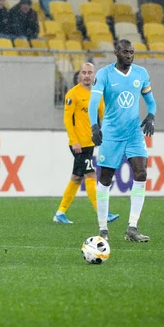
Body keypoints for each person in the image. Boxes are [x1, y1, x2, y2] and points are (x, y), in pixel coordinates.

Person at [88, 39, 157, 242]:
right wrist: (94, 126)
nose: (129, 55)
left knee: (141, 172)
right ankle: (103, 229)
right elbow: (93, 104)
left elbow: (151, 101)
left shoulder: (141, 73)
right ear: (116, 52)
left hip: (134, 132)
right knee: (106, 179)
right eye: (125, 52)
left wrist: (151, 115)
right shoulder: (104, 75)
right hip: (111, 133)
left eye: (132, 52)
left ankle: (132, 228)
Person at [53, 63, 120, 225]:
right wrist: (74, 141)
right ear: (79, 76)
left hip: (89, 143)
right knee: (90, 175)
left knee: (76, 178)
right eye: (84, 72)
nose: (87, 75)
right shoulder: (73, 94)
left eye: (90, 72)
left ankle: (60, 213)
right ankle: (102, 213)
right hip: (78, 145)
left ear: (94, 75)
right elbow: (67, 120)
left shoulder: (98, 94)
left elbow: (105, 114)